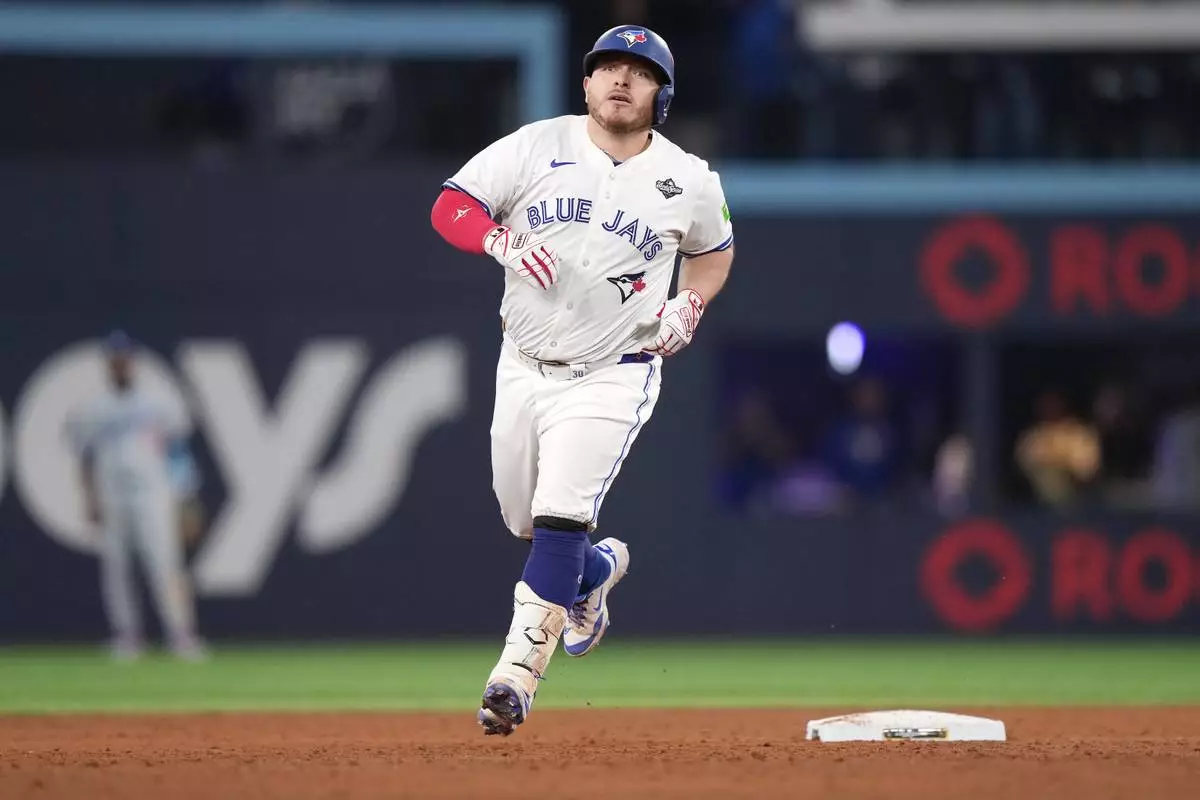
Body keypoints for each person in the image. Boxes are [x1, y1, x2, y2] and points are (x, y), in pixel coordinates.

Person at [430, 25, 735, 736]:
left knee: (561, 516)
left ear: (661, 93)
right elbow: (451, 204)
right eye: (608, 68)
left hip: (614, 371)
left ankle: (513, 679)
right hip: (525, 365)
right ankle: (592, 574)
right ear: (587, 83)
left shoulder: (689, 177)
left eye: (639, 71)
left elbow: (714, 254)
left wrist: (689, 300)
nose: (621, 80)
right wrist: (496, 237)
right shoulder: (538, 145)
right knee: (524, 519)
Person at [66, 331, 206, 661]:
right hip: (113, 494)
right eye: (115, 359)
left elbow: (178, 450)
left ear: (134, 362)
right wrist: (90, 498)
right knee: (117, 567)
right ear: (107, 364)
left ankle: (181, 634)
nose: (120, 365)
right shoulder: (93, 409)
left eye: (125, 359)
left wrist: (185, 498)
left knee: (166, 564)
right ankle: (128, 635)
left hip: (154, 493)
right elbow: (84, 458)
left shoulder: (159, 402)